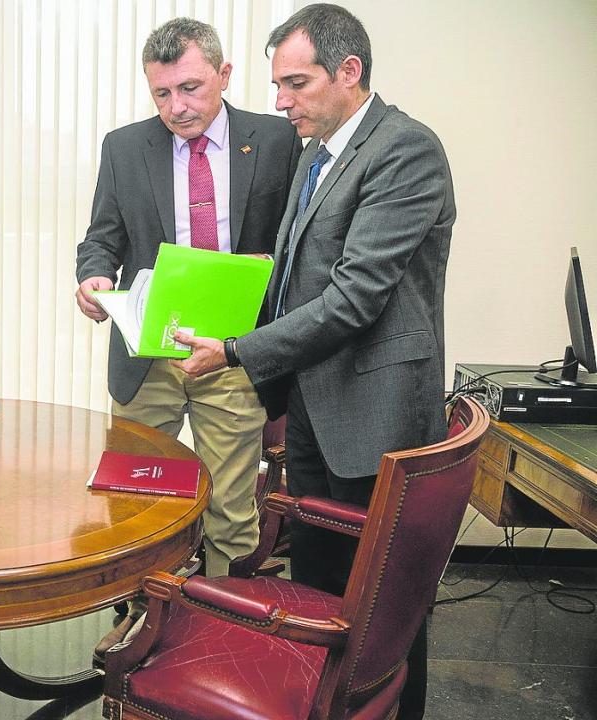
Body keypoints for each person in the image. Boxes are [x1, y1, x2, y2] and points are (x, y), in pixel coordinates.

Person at [172, 5, 455, 718]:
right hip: (315, 405)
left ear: (349, 71)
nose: (280, 101)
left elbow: (354, 297)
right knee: (324, 585)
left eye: (295, 83)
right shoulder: (317, 150)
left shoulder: (406, 150)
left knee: (384, 607)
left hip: (376, 413)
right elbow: (290, 270)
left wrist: (236, 351)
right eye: (277, 83)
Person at [74, 17, 301, 658]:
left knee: (232, 503)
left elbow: (296, 243)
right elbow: (103, 237)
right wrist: (92, 277)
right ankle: (141, 616)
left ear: (225, 77)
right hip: (148, 351)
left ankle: (220, 624)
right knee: (133, 495)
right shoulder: (125, 147)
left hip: (233, 351)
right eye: (162, 94)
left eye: (192, 89)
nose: (178, 108)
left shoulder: (278, 139)